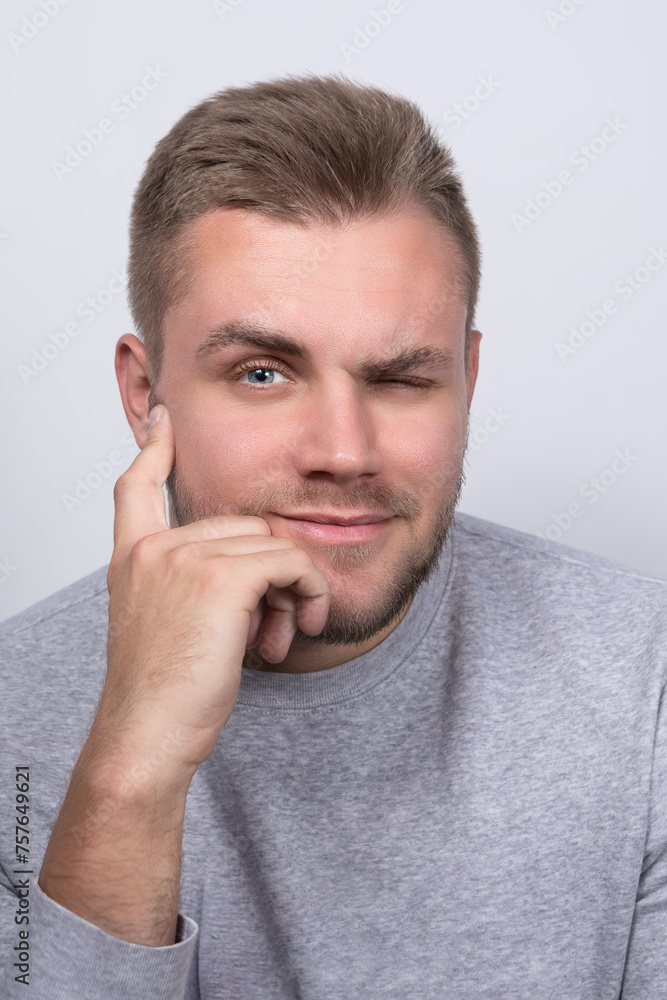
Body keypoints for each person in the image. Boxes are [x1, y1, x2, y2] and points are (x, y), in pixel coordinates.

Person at [0, 74, 665, 1000]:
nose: (343, 452)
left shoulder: (644, 684)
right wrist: (129, 771)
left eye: (398, 377)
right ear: (143, 394)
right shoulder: (7, 715)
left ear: (466, 383)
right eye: (264, 373)